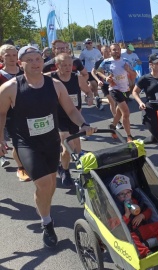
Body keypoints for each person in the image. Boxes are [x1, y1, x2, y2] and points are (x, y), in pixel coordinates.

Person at [0, 46, 96, 247]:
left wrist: (83, 124)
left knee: (51, 185)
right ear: (20, 63)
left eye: (38, 59)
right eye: (30, 60)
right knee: (44, 184)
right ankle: (47, 222)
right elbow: (1, 114)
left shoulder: (55, 85)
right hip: (27, 144)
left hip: (51, 142)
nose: (35, 63)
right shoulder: (10, 87)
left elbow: (70, 110)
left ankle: (44, 208)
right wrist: (1, 138)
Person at [46, 53, 93, 187]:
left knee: (76, 145)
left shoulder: (77, 78)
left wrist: (89, 97)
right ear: (57, 66)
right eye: (64, 65)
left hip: (74, 115)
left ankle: (70, 167)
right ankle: (65, 171)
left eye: (69, 65)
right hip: (57, 116)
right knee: (67, 145)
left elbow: (88, 91)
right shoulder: (50, 78)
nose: (68, 68)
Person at [109, 174, 158, 258]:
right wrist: (126, 215)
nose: (126, 196)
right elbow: (114, 227)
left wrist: (142, 215)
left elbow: (149, 211)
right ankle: (146, 254)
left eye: (128, 192)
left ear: (131, 192)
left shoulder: (135, 200)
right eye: (121, 194)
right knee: (131, 239)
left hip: (141, 229)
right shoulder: (113, 207)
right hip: (128, 234)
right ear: (116, 196)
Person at [96, 43, 137, 142]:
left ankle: (112, 126)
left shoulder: (125, 61)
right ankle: (129, 136)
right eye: (114, 50)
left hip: (126, 89)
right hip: (114, 89)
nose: (117, 51)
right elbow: (98, 71)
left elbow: (134, 74)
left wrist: (129, 70)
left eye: (118, 49)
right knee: (126, 113)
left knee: (119, 112)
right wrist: (106, 78)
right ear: (110, 52)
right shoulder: (107, 62)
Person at [0, 44, 27, 180]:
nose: (12, 58)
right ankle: (21, 167)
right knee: (17, 142)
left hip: (30, 112)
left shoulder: (25, 71)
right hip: (9, 115)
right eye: (8, 55)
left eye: (14, 55)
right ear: (1, 58)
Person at [79, 38, 103, 110]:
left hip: (96, 71)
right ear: (85, 44)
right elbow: (80, 60)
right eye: (88, 43)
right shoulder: (84, 52)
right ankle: (99, 103)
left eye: (91, 42)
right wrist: (82, 70)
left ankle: (87, 93)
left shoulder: (96, 51)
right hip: (88, 72)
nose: (90, 44)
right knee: (95, 87)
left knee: (92, 88)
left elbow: (101, 59)